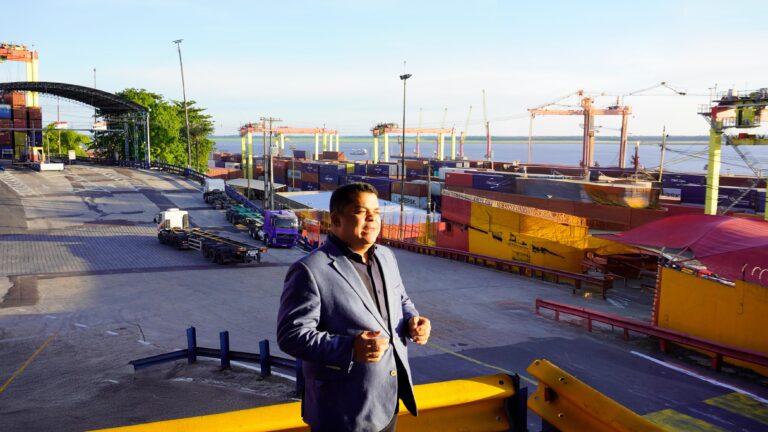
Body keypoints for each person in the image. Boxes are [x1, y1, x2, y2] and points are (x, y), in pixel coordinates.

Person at [277, 182, 431, 432]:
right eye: (361, 212)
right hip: (342, 411)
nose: (372, 219)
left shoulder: (386, 256)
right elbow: (291, 336)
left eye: (376, 212)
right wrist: (349, 348)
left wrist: (413, 320)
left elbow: (401, 300)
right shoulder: (310, 269)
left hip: (386, 401)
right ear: (336, 219)